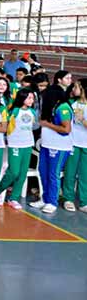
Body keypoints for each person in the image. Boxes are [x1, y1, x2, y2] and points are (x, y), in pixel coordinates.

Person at [30, 70, 73, 214]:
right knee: (43, 172)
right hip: (46, 144)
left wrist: (47, 124)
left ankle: (52, 202)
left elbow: (66, 129)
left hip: (59, 147)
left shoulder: (63, 108)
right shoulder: (48, 108)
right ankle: (45, 198)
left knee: (53, 174)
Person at [0, 89, 38, 210]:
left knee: (22, 173)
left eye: (32, 98)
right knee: (13, 171)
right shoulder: (14, 111)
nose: (31, 100)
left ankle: (13, 198)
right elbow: (6, 125)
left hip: (28, 144)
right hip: (15, 144)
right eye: (29, 98)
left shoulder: (32, 111)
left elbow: (34, 125)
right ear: (22, 98)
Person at [63, 79, 87, 212]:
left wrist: (82, 119)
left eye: (76, 87)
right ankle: (68, 199)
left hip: (86, 145)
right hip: (73, 143)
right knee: (70, 172)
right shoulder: (71, 104)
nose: (73, 89)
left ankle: (84, 202)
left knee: (85, 174)